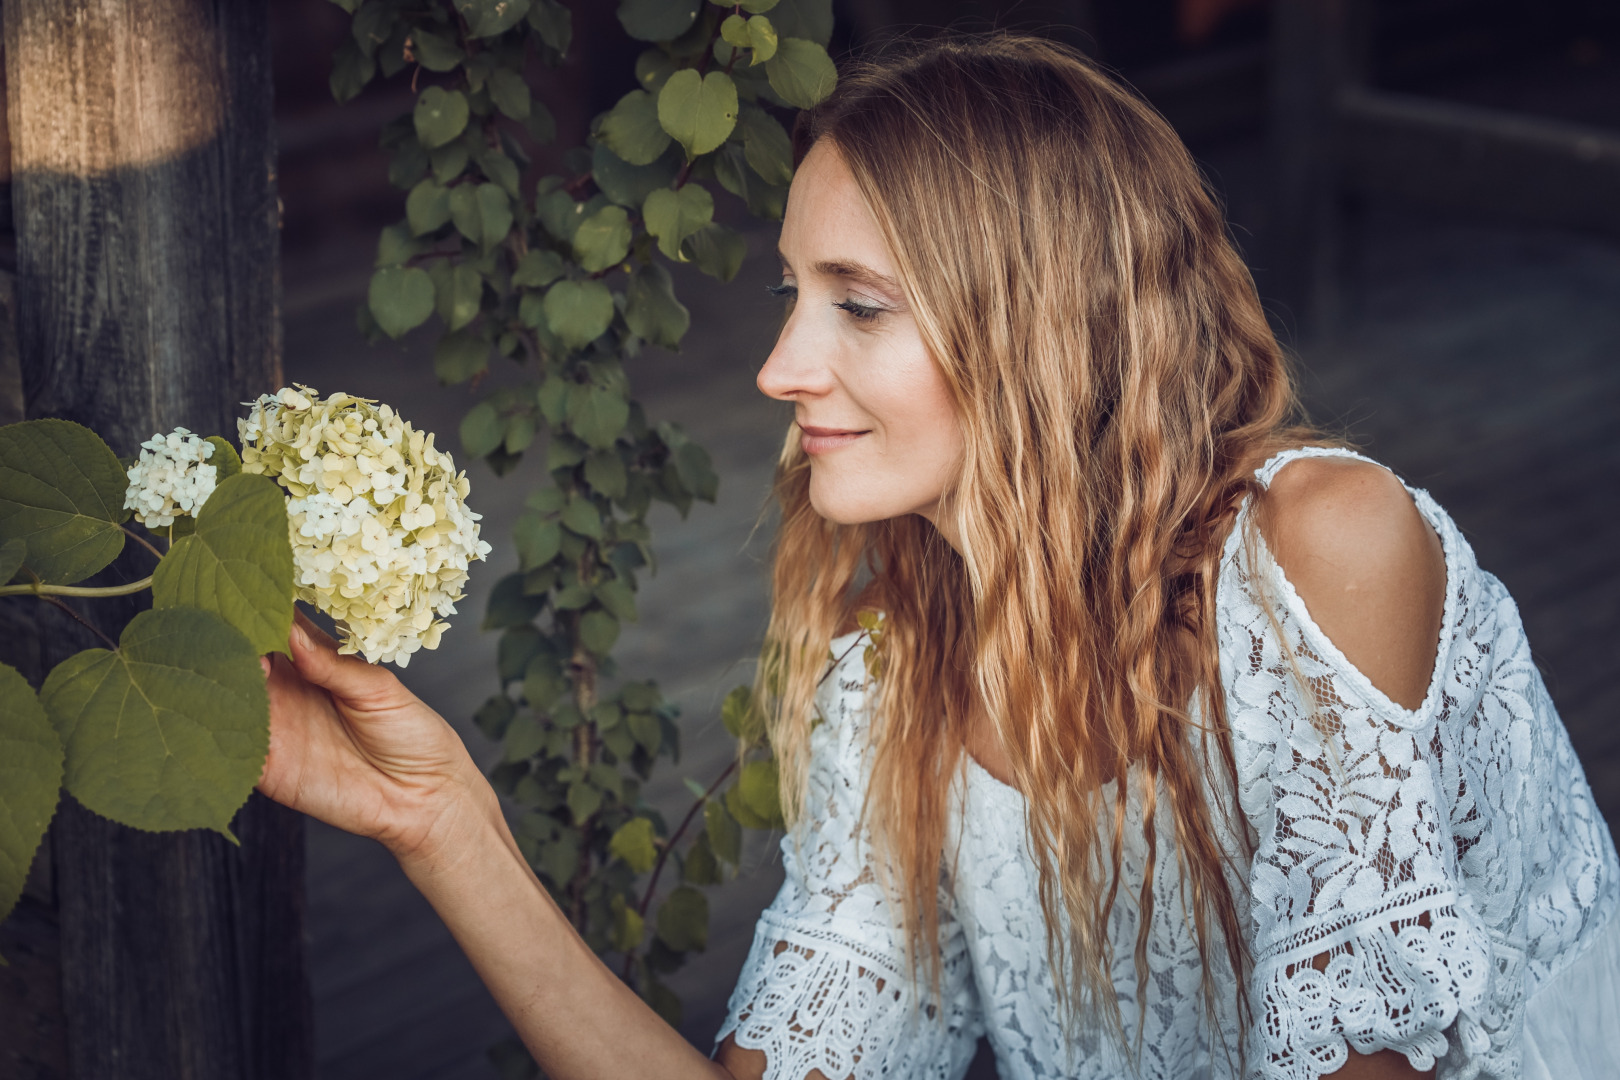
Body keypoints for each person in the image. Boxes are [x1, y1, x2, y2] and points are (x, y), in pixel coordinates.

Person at [257, 34, 1620, 1080]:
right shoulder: (894, 694)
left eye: (857, 305)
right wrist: (438, 821)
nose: (782, 366)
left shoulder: (1321, 552)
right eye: (794, 295)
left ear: (1034, 324)